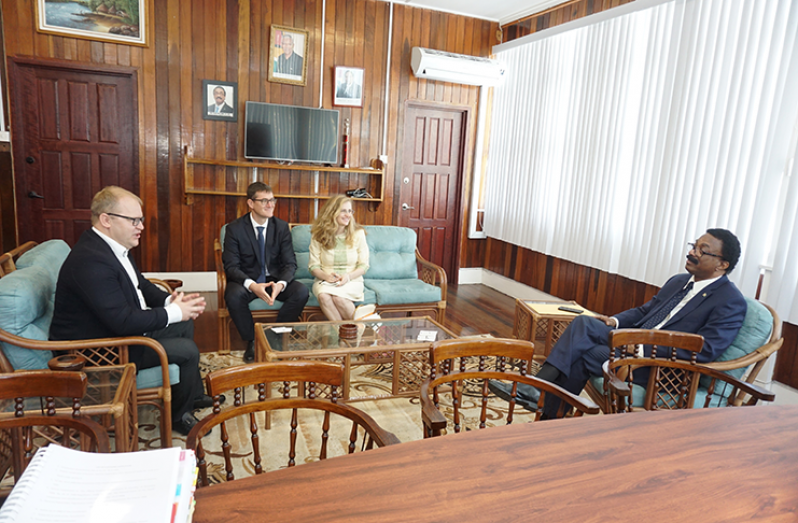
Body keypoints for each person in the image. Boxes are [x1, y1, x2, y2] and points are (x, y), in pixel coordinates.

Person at [490, 228, 748, 418]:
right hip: (630, 345)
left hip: (661, 367)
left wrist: (645, 349)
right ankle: (548, 412)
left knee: (583, 343)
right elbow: (645, 311)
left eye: (702, 251)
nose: (692, 252)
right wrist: (614, 320)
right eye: (694, 245)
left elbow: (707, 349)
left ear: (722, 265)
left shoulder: (730, 301)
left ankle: (539, 395)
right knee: (584, 331)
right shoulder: (679, 281)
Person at [50, 186, 220, 436]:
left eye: (140, 219)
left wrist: (168, 301)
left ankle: (191, 396)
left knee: (184, 324)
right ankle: (178, 417)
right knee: (187, 350)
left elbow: (140, 284)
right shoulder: (91, 261)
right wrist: (174, 312)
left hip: (116, 332)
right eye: (134, 220)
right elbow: (122, 321)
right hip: (99, 351)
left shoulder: (112, 248)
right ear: (106, 219)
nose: (140, 226)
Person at [223, 182, 309, 362]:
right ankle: (252, 341)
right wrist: (252, 285)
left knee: (301, 291)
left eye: (272, 200)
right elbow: (231, 267)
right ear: (250, 203)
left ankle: (274, 335)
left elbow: (290, 263)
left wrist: (281, 284)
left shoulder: (281, 227)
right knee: (233, 295)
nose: (270, 205)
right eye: (264, 201)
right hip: (247, 281)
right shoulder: (235, 229)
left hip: (273, 280)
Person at [309, 195, 369, 321]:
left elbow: (364, 265)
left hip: (352, 279)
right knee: (323, 296)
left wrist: (347, 277)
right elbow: (313, 266)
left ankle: (350, 332)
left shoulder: (358, 233)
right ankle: (349, 333)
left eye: (350, 211)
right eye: (343, 211)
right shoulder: (318, 235)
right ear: (332, 212)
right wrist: (326, 277)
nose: (348, 215)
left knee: (338, 298)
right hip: (325, 280)